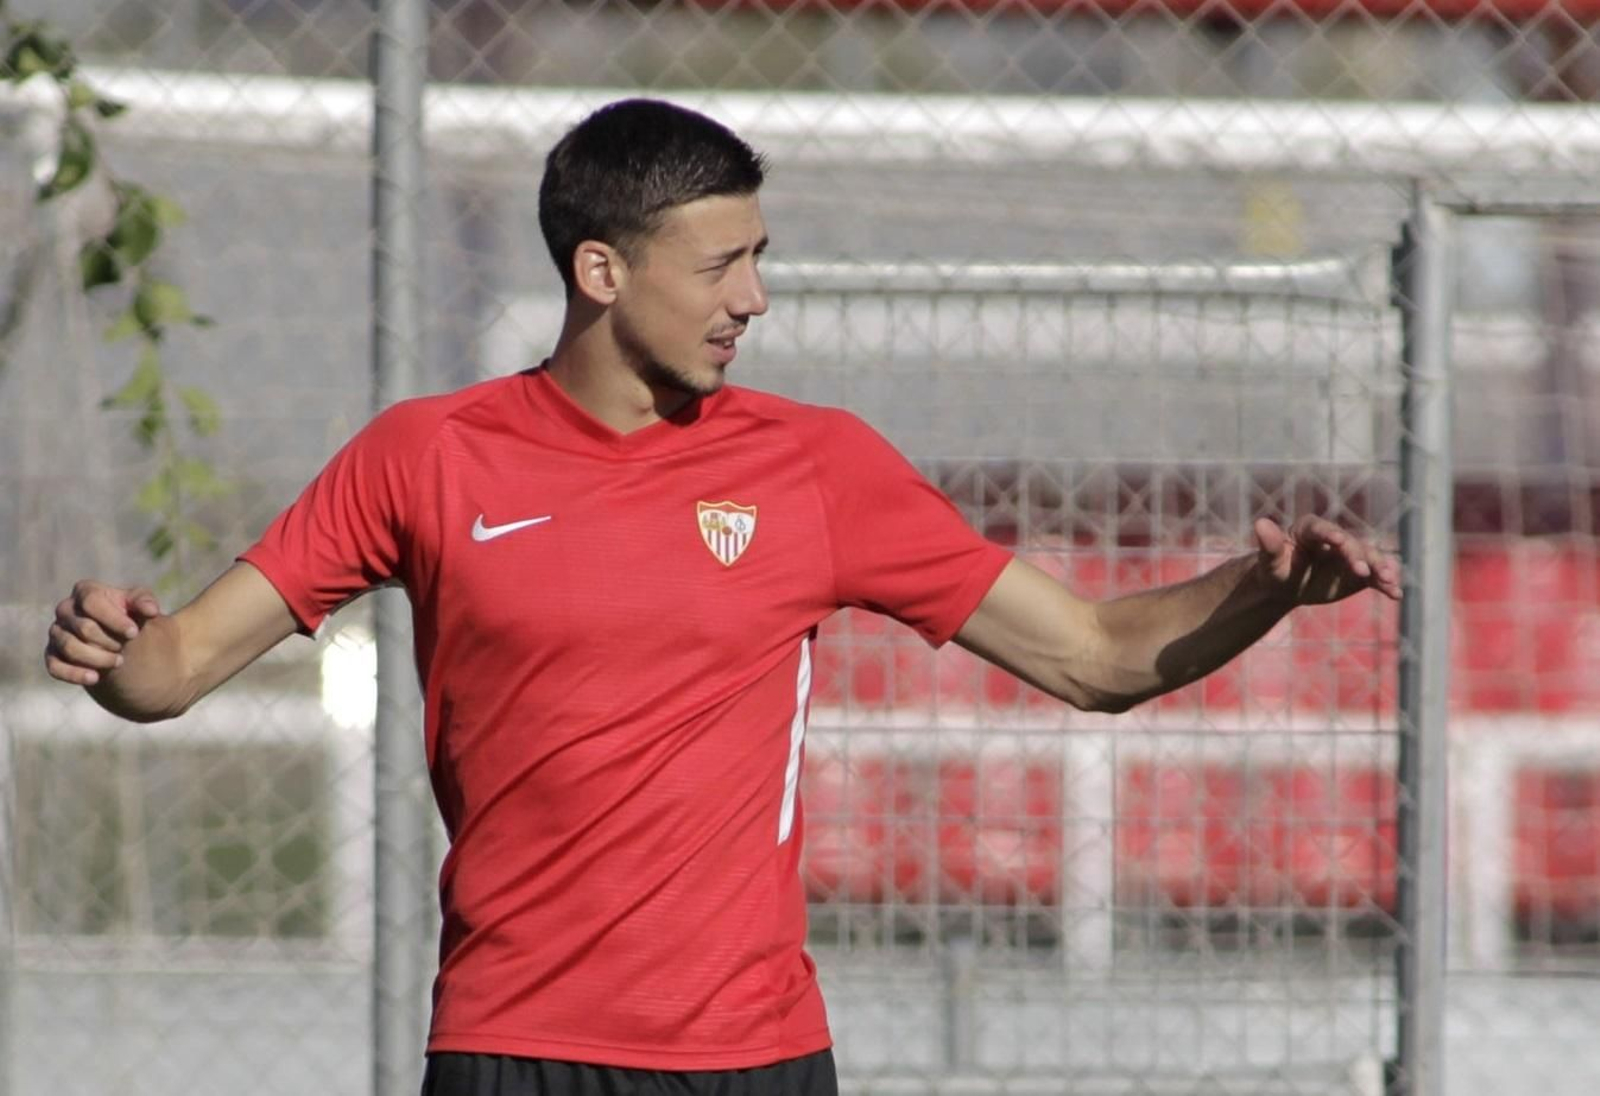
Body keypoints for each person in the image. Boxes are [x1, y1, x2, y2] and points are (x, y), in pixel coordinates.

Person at [44, 98, 1402, 1096]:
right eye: (720, 265)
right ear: (600, 270)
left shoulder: (818, 467)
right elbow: (172, 674)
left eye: (761, 257)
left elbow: (1098, 658)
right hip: (513, 1046)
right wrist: (119, 651)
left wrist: (1259, 591)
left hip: (754, 1056)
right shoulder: (425, 456)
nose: (753, 296)